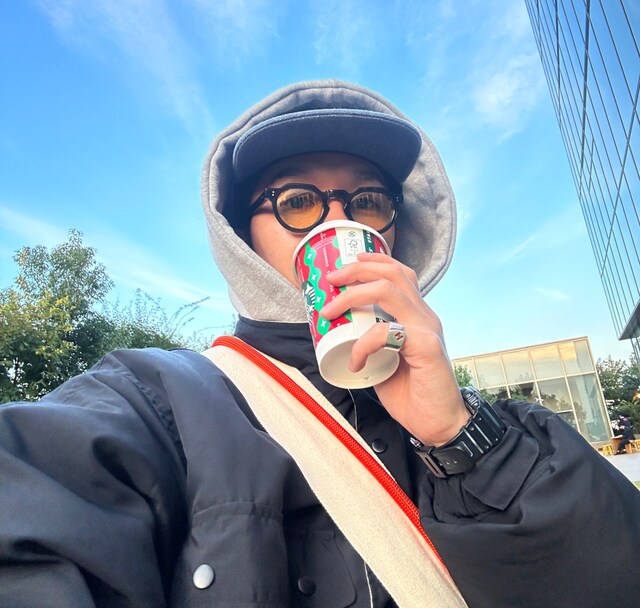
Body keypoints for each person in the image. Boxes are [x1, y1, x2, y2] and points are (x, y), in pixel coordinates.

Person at [1, 79, 639, 608]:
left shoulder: (501, 429)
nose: (339, 220)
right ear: (242, 237)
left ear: (396, 229)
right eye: (299, 200)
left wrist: (460, 437)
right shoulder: (158, 402)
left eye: (368, 200)